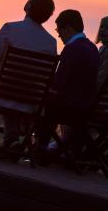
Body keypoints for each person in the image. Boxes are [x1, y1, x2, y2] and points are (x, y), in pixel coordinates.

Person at [0, 0, 57, 150]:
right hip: (30, 99)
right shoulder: (51, 42)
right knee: (14, 95)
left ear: (29, 6)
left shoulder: (10, 29)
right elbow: (47, 76)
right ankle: (11, 141)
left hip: (1, 92)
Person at [37, 9, 100, 160]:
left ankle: (40, 148)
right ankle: (51, 148)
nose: (58, 34)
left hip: (69, 109)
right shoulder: (93, 48)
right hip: (85, 108)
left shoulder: (71, 49)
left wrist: (43, 82)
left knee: (42, 99)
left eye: (59, 30)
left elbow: (59, 82)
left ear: (69, 28)